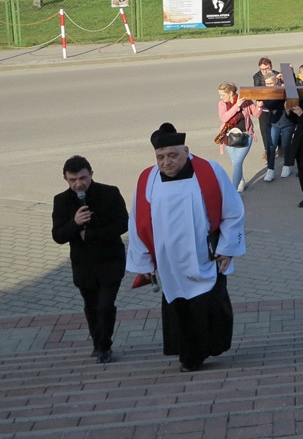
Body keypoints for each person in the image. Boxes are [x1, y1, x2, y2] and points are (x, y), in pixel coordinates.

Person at [127, 123, 245, 373]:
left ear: (186, 151)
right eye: (160, 157)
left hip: (205, 257)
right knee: (179, 309)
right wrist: (144, 263)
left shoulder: (209, 171)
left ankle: (203, 350)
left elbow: (233, 210)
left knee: (210, 307)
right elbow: (137, 222)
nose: (166, 162)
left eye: (172, 155)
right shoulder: (147, 179)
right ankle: (189, 356)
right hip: (169, 262)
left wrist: (228, 248)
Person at [52, 155, 128, 364]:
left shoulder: (110, 193)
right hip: (83, 264)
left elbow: (123, 223)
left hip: (110, 260)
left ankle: (105, 346)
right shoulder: (61, 200)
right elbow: (58, 235)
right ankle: (97, 342)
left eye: (83, 178)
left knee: (105, 306)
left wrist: (92, 234)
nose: (78, 184)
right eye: (73, 180)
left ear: (91, 174)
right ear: (65, 179)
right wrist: (75, 223)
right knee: (91, 306)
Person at [216, 82, 260, 193]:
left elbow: (256, 114)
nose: (221, 97)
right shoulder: (222, 104)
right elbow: (224, 118)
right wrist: (236, 106)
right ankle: (240, 181)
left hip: (245, 136)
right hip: (229, 136)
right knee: (235, 162)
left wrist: (259, 105)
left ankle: (233, 192)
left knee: (237, 162)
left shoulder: (245, 100)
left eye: (223, 95)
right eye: (220, 95)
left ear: (231, 93)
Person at [261, 74, 294, 180]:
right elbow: (269, 104)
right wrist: (281, 96)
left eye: (271, 83)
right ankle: (270, 169)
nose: (269, 86)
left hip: (287, 123)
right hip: (274, 123)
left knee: (286, 145)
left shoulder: (285, 89)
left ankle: (286, 166)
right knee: (271, 146)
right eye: (267, 84)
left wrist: (284, 92)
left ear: (276, 82)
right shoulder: (268, 93)